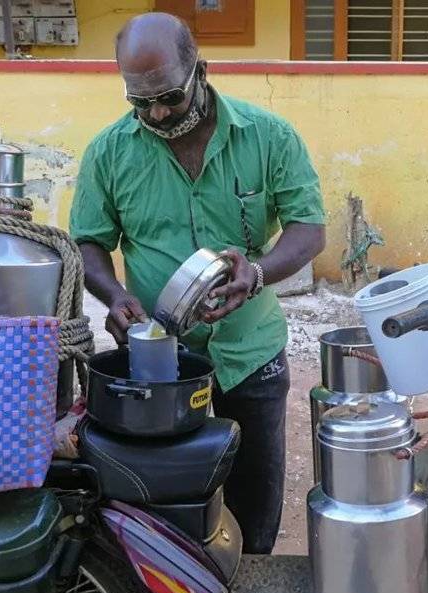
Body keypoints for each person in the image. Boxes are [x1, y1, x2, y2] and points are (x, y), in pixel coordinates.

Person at [69, 12, 326, 554]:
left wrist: (256, 274)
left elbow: (309, 228)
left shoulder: (269, 137)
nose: (158, 114)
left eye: (169, 98)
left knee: (254, 491)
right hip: (160, 360)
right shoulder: (110, 152)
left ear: (200, 73)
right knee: (162, 490)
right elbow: (88, 242)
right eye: (140, 103)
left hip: (249, 350)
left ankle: (248, 587)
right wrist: (114, 297)